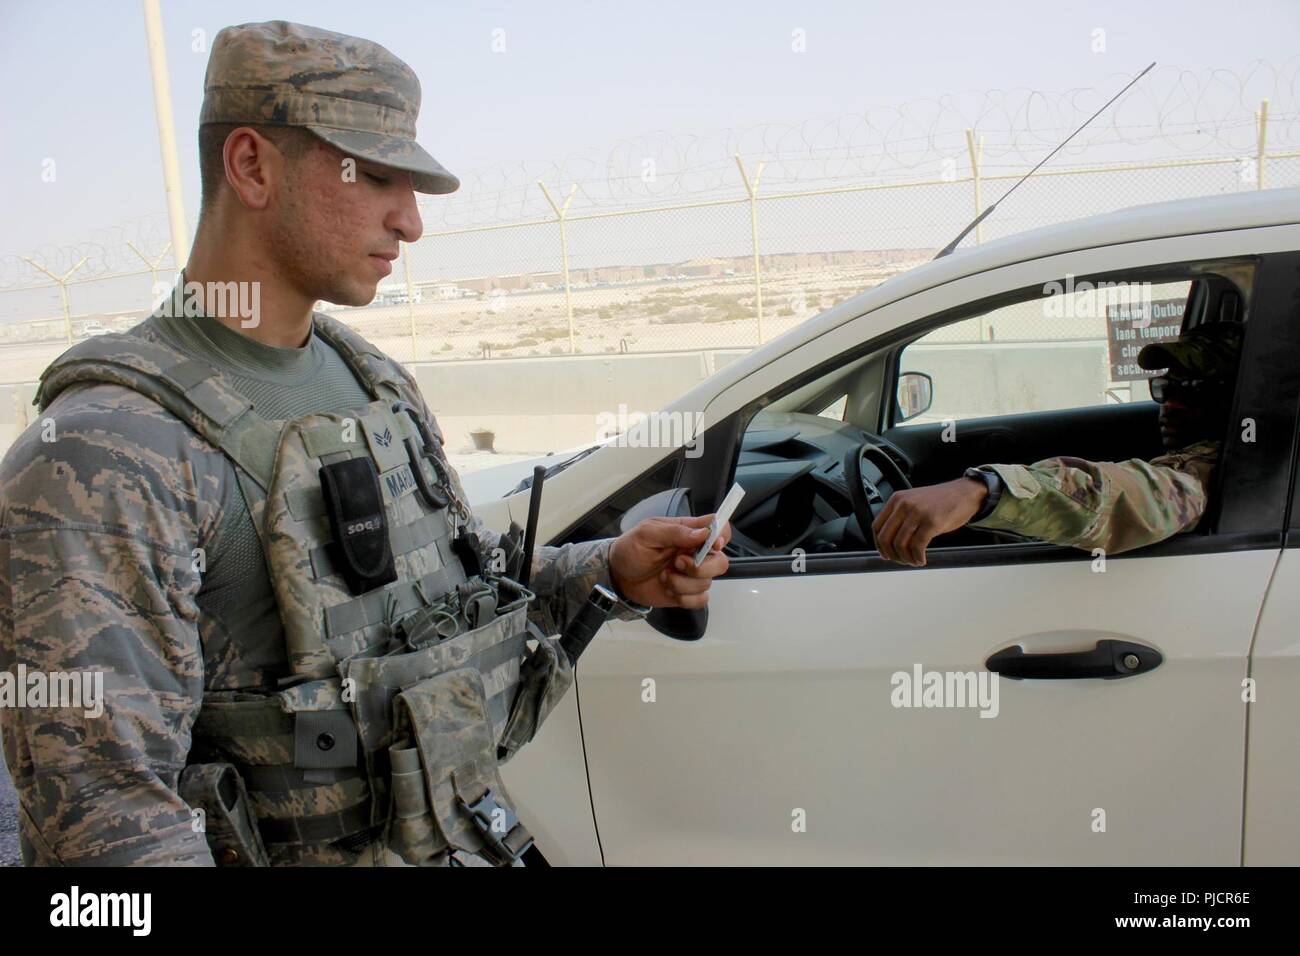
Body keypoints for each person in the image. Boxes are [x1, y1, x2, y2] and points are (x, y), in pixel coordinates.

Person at [0, 21, 729, 867]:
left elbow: (449, 592)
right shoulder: (104, 453)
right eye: (375, 176)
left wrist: (608, 569)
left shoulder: (370, 380)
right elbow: (105, 818)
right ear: (251, 166)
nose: (411, 222)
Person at [872, 321, 1242, 567]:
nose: (1170, 404)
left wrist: (984, 492)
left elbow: (1133, 497)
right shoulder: (1204, 451)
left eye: (1193, 389)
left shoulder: (1213, 471)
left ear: (1241, 398)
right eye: (1166, 387)